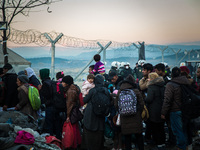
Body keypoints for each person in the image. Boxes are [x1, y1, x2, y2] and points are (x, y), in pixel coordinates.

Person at [161, 67, 192, 150]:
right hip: (186, 109)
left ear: (171, 74)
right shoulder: (186, 82)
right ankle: (186, 146)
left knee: (178, 131)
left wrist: (163, 112)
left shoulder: (170, 85)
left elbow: (167, 100)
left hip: (175, 110)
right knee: (184, 129)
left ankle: (181, 147)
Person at [81, 74, 110, 150]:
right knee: (99, 133)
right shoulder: (106, 91)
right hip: (101, 115)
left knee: (89, 133)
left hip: (90, 115)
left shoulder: (92, 91)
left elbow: (84, 100)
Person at [116, 75, 144, 150]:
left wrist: (122, 111)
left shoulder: (120, 91)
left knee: (127, 137)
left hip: (124, 118)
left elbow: (116, 105)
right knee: (139, 136)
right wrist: (138, 111)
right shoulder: (136, 91)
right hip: (136, 116)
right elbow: (142, 104)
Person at [145, 72, 166, 150]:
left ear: (152, 79)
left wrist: (145, 99)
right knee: (161, 128)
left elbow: (149, 99)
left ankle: (158, 144)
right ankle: (162, 143)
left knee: (155, 128)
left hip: (153, 110)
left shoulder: (151, 87)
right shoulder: (162, 86)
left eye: (149, 78)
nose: (148, 79)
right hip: (162, 109)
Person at [62, 75, 81, 149]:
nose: (62, 83)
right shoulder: (74, 88)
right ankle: (78, 142)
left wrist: (68, 116)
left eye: (63, 82)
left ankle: (73, 144)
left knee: (72, 128)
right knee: (75, 127)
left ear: (67, 83)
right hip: (75, 111)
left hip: (72, 111)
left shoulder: (70, 91)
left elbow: (69, 104)